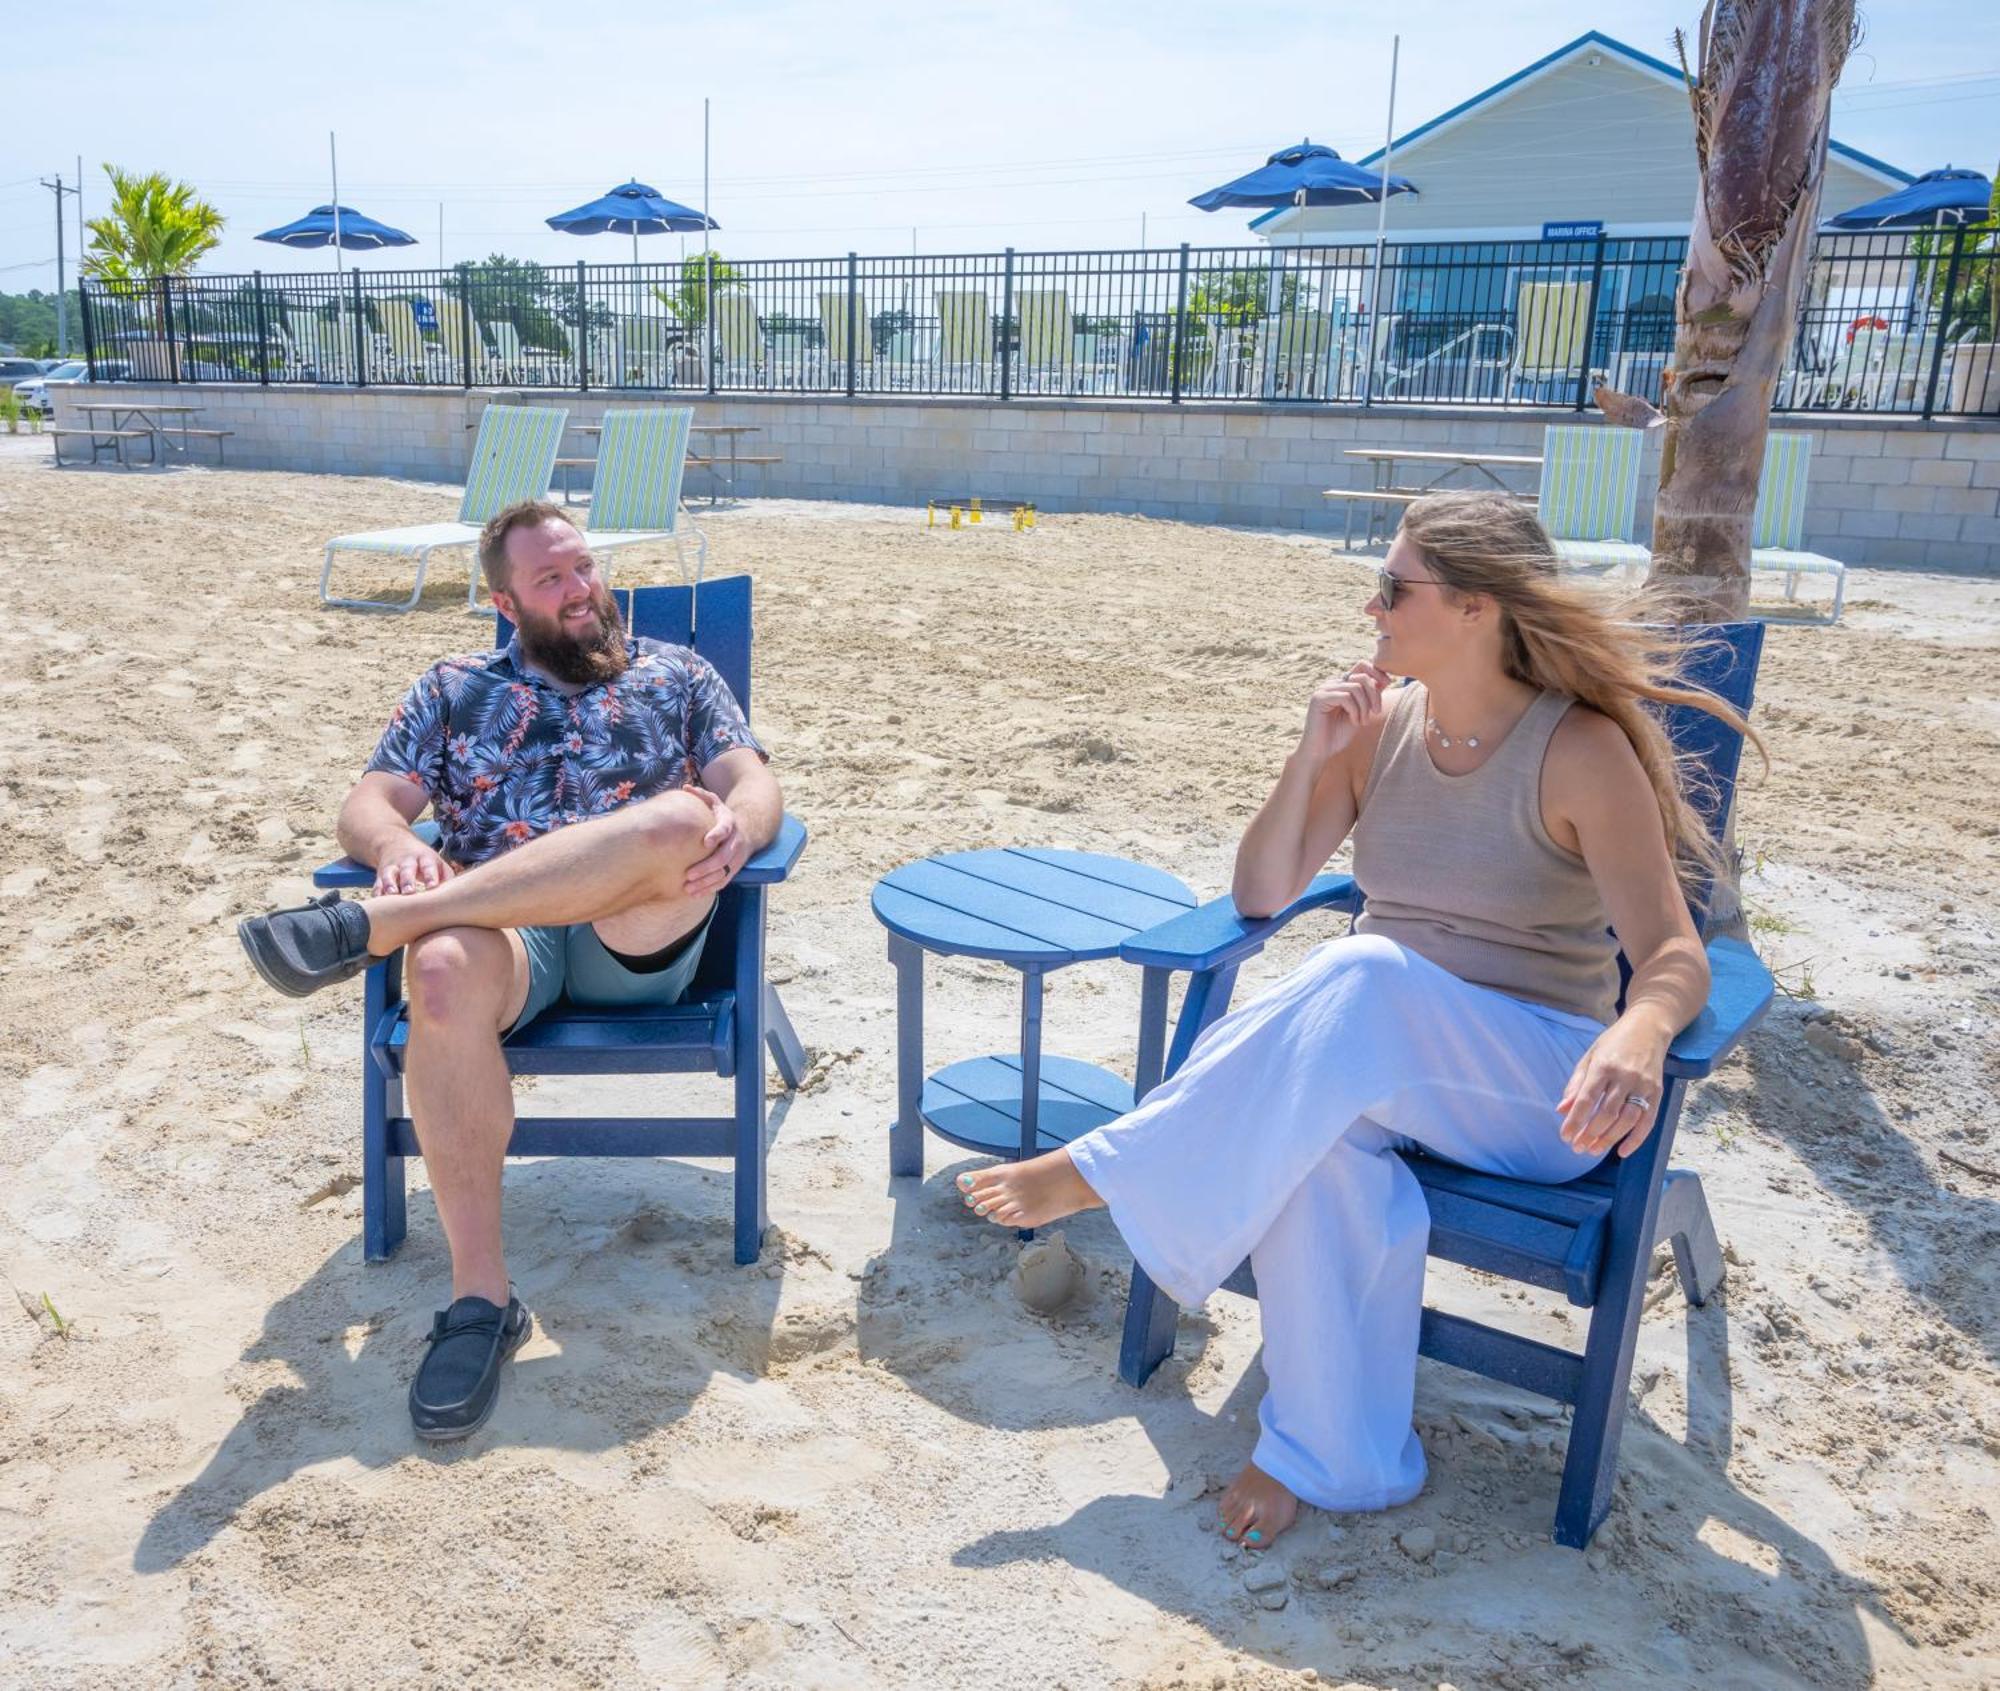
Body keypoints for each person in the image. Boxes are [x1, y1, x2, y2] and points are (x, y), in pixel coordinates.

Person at [957, 492, 1749, 1550]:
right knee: (1321, 1133)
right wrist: (1309, 752)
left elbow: (1671, 954)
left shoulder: (1578, 750)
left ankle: (1107, 1165)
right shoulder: (1380, 729)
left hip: (1537, 1088)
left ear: (1473, 606)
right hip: (1373, 1065)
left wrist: (1639, 1032)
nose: (1370, 606)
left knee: (1365, 970)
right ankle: (1333, 1456)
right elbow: (1258, 891)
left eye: (1392, 587)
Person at [237, 499, 782, 1441]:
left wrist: (742, 835)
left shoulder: (679, 672)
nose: (579, 592)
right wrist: (399, 839)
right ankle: (481, 1303)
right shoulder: (454, 687)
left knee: (683, 818)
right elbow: (368, 801)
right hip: (509, 940)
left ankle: (382, 923)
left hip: (634, 932)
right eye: (550, 580)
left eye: (584, 569)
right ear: (504, 600)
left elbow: (753, 780)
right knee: (439, 970)